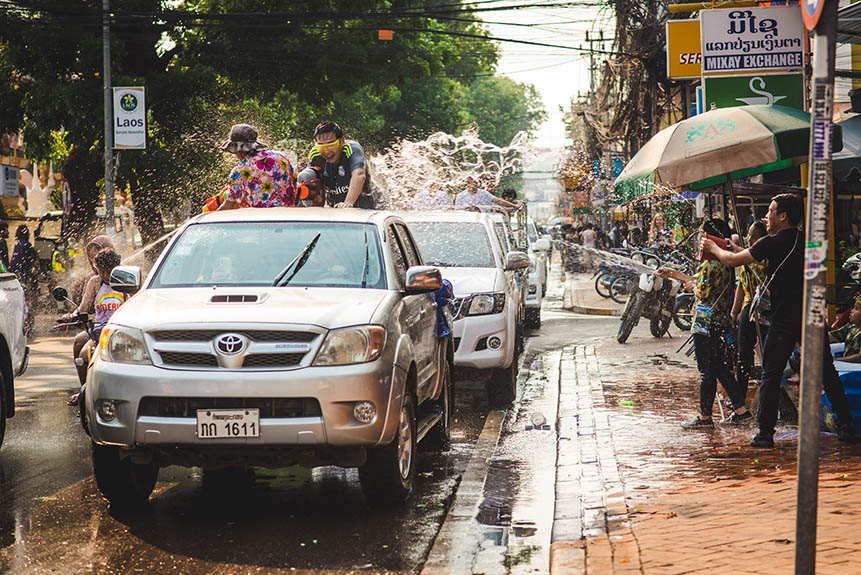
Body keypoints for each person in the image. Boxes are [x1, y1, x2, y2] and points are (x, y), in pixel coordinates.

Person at [702, 193, 859, 446]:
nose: (767, 215)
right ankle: (846, 429)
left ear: (783, 216)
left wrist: (713, 248)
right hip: (812, 317)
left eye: (772, 210)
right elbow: (803, 275)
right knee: (827, 373)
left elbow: (732, 261)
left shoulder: (772, 242)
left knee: (771, 374)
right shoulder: (810, 243)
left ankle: (765, 434)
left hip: (784, 319)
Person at [657, 218, 751, 429]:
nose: (701, 240)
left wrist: (691, 286)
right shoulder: (724, 260)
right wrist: (673, 274)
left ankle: (705, 417)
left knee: (706, 370)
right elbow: (697, 280)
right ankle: (740, 410)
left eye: (704, 236)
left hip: (705, 324)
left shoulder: (710, 262)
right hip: (719, 322)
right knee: (718, 367)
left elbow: (703, 292)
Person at [63, 248, 125, 406]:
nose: (106, 276)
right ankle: (85, 392)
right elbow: (83, 308)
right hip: (99, 331)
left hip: (120, 331)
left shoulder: (126, 281)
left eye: (109, 271)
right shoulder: (95, 282)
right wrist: (72, 315)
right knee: (80, 348)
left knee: (85, 355)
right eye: (102, 271)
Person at [216, 123, 297, 210]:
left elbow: (229, 204)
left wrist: (212, 218)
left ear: (239, 150)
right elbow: (295, 182)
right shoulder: (281, 157)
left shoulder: (238, 172)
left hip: (260, 219)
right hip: (287, 216)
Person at [730, 220, 768, 398]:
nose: (751, 241)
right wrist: (734, 311)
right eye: (749, 237)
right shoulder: (746, 256)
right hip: (748, 307)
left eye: (755, 237)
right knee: (743, 353)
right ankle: (739, 396)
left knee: (768, 353)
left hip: (766, 308)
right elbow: (742, 287)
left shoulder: (766, 257)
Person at [308, 121, 380, 209]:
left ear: (342, 141)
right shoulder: (315, 155)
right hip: (339, 208)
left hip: (372, 205)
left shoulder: (352, 149)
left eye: (331, 145)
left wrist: (348, 203)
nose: (327, 152)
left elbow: (359, 175)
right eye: (321, 147)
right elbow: (311, 182)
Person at [9, 224, 39, 301]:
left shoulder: (17, 244)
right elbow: (28, 258)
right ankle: (29, 302)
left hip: (16, 269)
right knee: (28, 287)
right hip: (24, 270)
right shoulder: (27, 244)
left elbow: (15, 259)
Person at [830, 296, 861, 363]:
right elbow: (831, 336)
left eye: (856, 309)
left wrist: (837, 360)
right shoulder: (851, 328)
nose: (851, 311)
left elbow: (859, 357)